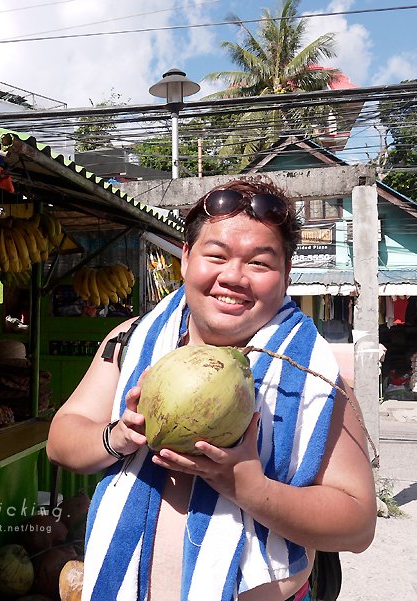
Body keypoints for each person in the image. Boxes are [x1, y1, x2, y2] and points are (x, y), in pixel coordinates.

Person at [47, 179, 377, 601]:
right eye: (216, 256)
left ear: (286, 274)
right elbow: (61, 441)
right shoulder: (130, 342)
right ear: (185, 259)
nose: (233, 277)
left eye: (259, 263)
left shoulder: (312, 375)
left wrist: (251, 489)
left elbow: (358, 524)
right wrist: (120, 435)